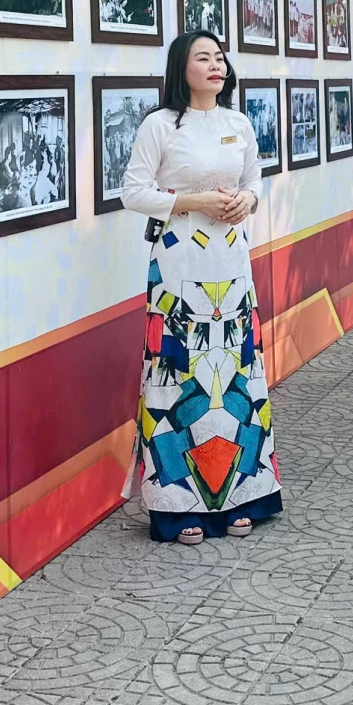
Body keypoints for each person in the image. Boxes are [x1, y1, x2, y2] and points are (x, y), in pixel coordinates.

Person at [120, 29, 279, 545]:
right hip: (177, 264)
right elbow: (133, 191)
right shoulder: (161, 124)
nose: (215, 65)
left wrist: (248, 202)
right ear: (181, 68)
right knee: (179, 376)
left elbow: (255, 181)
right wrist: (193, 202)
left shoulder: (238, 122)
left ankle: (243, 496)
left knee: (235, 376)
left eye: (219, 57)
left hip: (232, 263)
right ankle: (176, 505)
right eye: (203, 57)